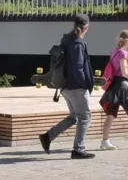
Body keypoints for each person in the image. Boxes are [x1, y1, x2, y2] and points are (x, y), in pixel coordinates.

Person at [39, 14, 95, 159]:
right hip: (76, 87)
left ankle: (48, 137)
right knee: (85, 118)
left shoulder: (67, 40)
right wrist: (85, 85)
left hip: (65, 86)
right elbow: (78, 69)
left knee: (74, 117)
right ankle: (78, 150)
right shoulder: (78, 43)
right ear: (86, 27)